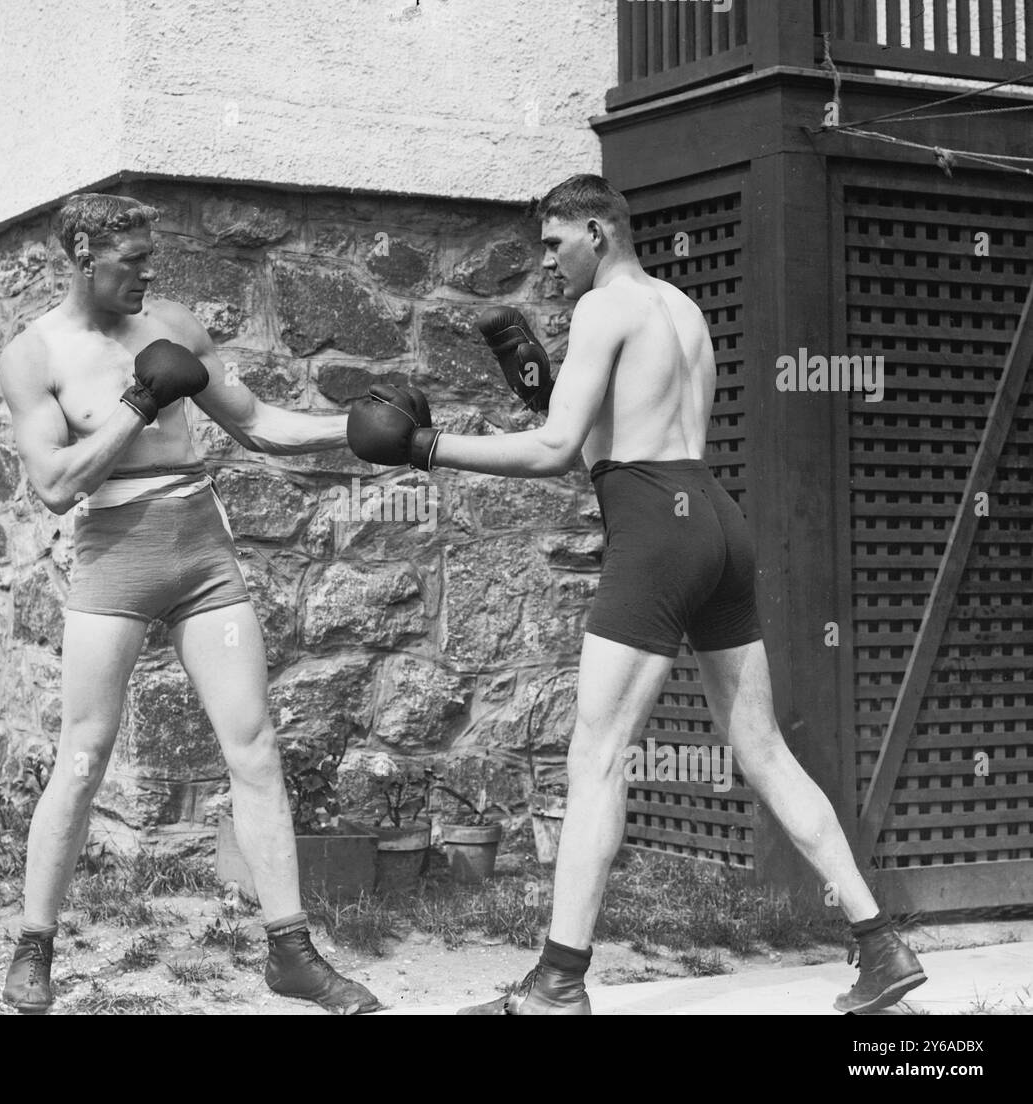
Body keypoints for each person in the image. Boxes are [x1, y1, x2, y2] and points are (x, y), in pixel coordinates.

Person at [346, 174, 926, 1016]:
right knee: (761, 747)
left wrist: (429, 447)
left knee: (598, 755)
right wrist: (545, 389)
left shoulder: (601, 310)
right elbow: (620, 437)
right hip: (717, 521)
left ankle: (556, 984)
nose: (545, 264)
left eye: (554, 244)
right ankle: (880, 944)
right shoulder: (681, 310)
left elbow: (556, 453)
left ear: (598, 231)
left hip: (657, 530)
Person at [0, 193, 379, 1015]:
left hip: (201, 548)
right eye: (131, 259)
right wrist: (139, 405)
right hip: (115, 555)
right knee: (84, 755)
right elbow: (56, 486)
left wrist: (357, 426)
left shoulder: (174, 326)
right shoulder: (34, 356)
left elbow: (259, 424)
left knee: (254, 746)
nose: (148, 271)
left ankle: (293, 953)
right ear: (82, 253)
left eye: (150, 256)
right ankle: (34, 947)